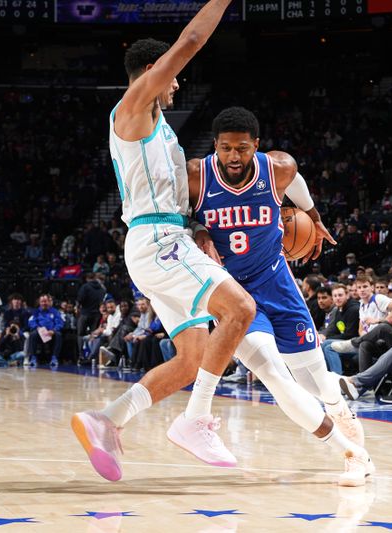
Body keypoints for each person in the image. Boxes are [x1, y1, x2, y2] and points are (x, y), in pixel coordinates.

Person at [71, 2, 258, 483]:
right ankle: (196, 420)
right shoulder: (133, 107)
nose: (178, 83)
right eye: (171, 76)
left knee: (193, 359)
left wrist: (199, 232)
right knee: (240, 309)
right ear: (152, 71)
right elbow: (190, 43)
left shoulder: (160, 129)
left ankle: (108, 418)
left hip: (167, 239)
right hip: (156, 240)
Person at [190, 107, 373, 485]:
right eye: (226, 149)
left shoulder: (278, 169)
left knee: (315, 379)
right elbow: (176, 215)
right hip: (231, 295)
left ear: (256, 146)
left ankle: (338, 408)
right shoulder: (196, 175)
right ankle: (353, 455)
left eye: (242, 148)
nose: (234, 157)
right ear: (216, 147)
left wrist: (314, 216)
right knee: (275, 375)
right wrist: (198, 230)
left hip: (277, 284)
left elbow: (299, 189)